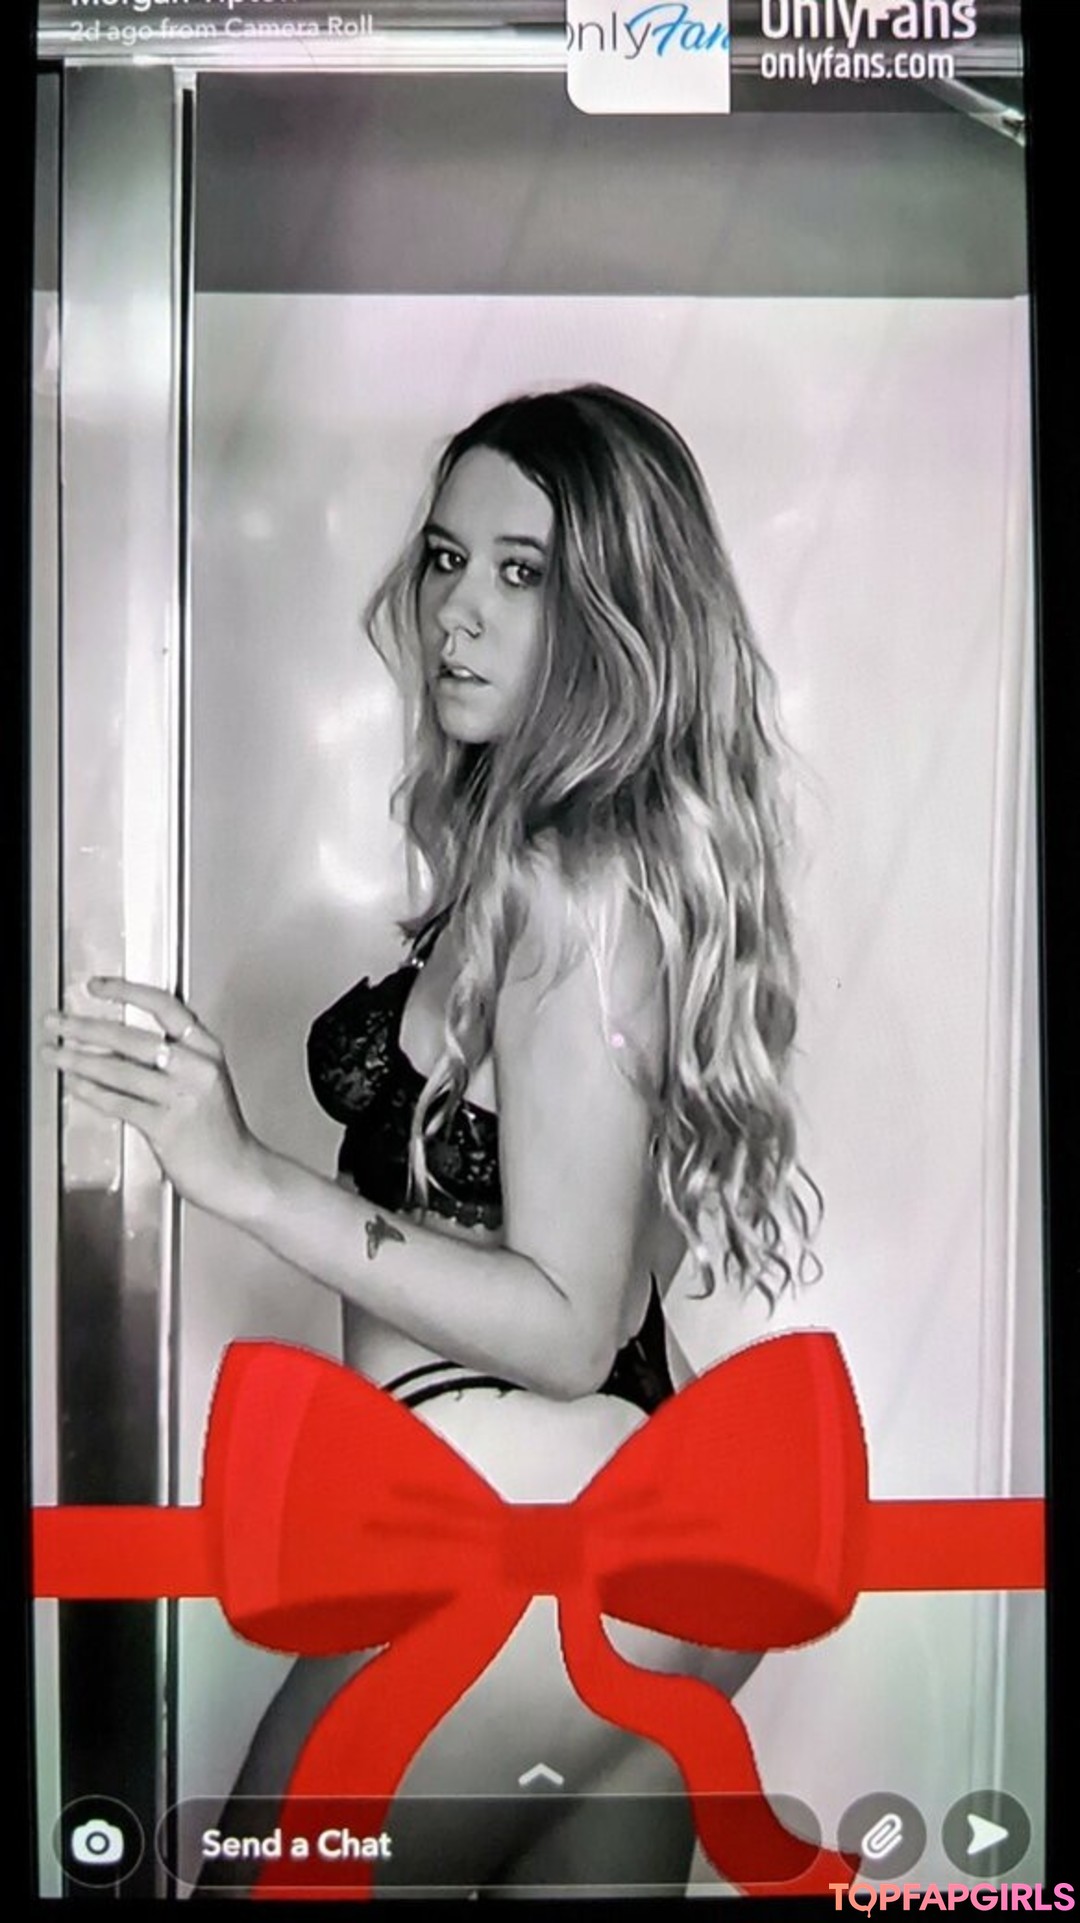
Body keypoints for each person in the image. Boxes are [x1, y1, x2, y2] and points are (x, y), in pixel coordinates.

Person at [42, 384, 821, 1898]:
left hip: (527, 1555)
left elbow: (571, 1325)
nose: (458, 608)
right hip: (567, 1547)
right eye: (449, 558)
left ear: (615, 616)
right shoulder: (542, 875)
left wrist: (242, 1174)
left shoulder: (575, 895)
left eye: (523, 572)